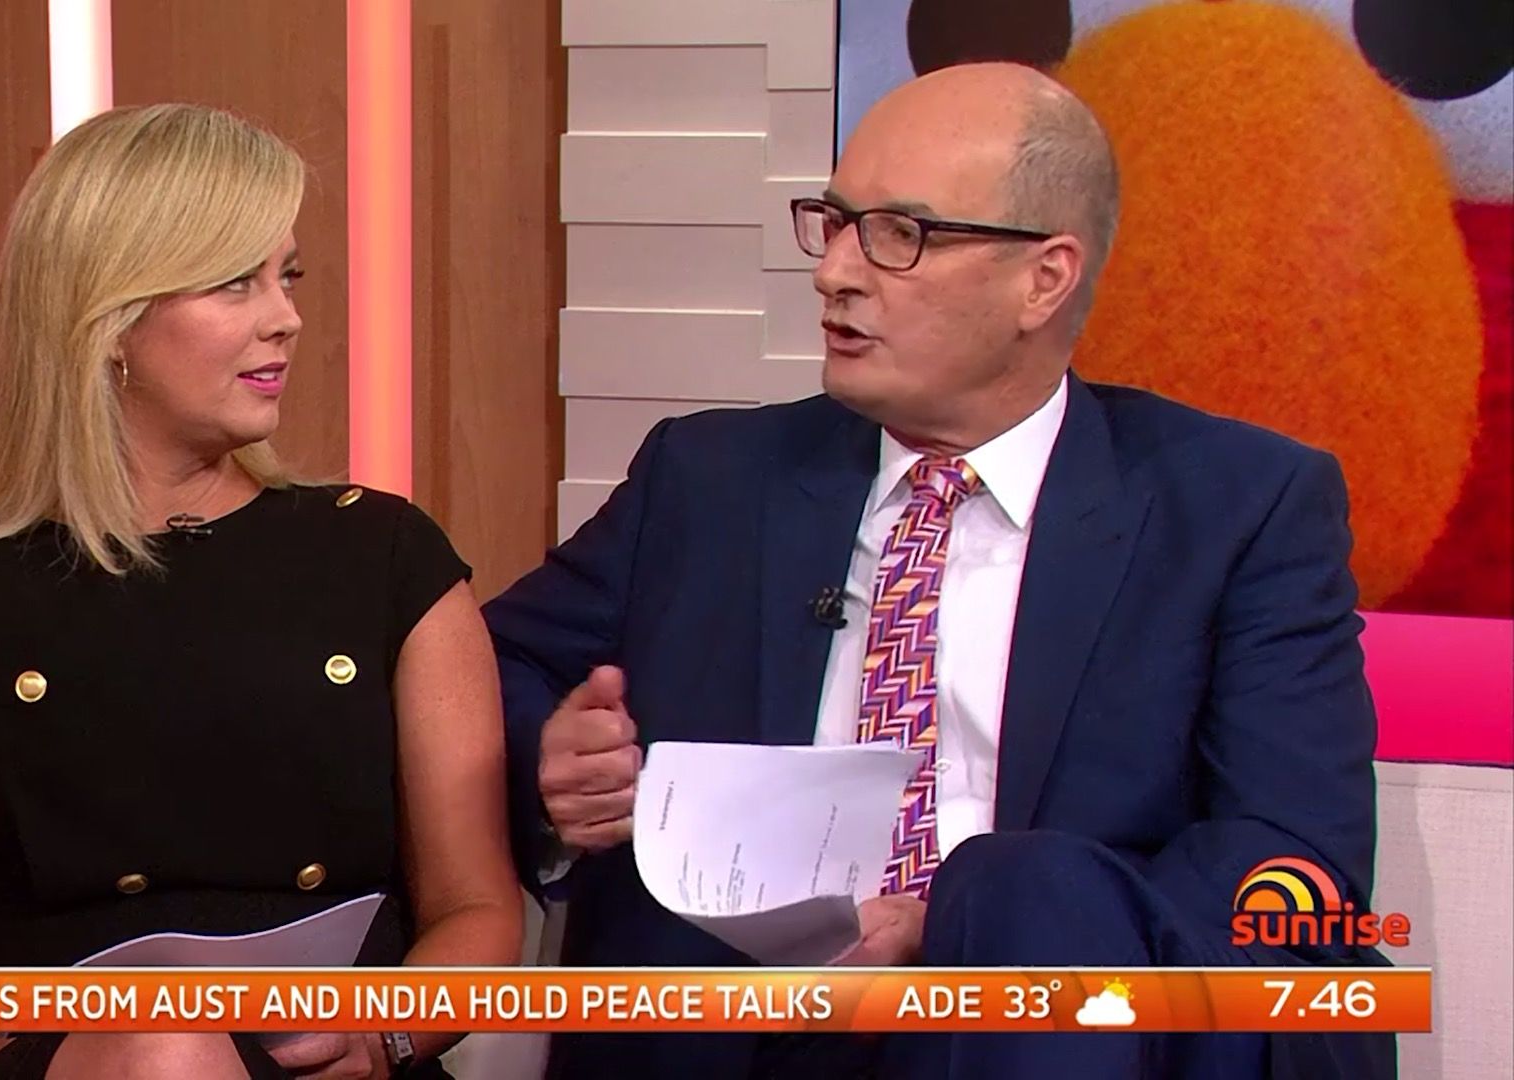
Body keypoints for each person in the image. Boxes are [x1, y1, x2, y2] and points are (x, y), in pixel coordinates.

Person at [486, 63, 1393, 1079]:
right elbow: (486, 671)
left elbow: (1291, 860)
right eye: (834, 223)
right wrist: (549, 759)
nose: (836, 271)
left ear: (1044, 279)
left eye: (898, 233)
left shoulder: (1237, 510)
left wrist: (975, 927)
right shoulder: (706, 479)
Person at [0, 103, 522, 1080]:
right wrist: (117, 1030)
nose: (286, 317)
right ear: (109, 320)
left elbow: (478, 911)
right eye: (235, 281)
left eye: (287, 277)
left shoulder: (387, 558)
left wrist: (384, 1034)